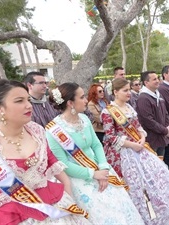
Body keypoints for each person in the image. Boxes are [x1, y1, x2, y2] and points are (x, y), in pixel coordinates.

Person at [45, 82, 144, 225]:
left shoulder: (84, 119)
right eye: (82, 97)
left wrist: (103, 167)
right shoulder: (53, 130)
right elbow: (63, 165)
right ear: (71, 103)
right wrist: (93, 174)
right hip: (79, 179)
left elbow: (97, 144)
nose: (86, 100)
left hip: (101, 169)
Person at [0, 79, 89, 225]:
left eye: (28, 100)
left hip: (55, 203)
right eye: (19, 101)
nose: (28, 106)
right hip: (13, 214)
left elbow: (52, 160)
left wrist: (67, 189)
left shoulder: (36, 130)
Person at [101, 78, 169, 225]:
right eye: (125, 90)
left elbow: (139, 127)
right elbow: (110, 137)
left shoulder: (129, 107)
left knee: (155, 179)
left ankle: (157, 212)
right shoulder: (108, 111)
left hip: (139, 148)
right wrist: (132, 145)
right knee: (133, 186)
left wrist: (142, 138)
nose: (129, 93)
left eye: (129, 90)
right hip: (122, 154)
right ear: (115, 92)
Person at [136, 71, 169, 158]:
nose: (157, 81)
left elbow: (165, 112)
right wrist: (164, 130)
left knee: (162, 161)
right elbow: (148, 120)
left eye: (158, 78)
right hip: (152, 138)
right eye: (154, 79)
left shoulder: (157, 94)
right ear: (146, 82)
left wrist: (167, 126)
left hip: (162, 135)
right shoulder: (143, 98)